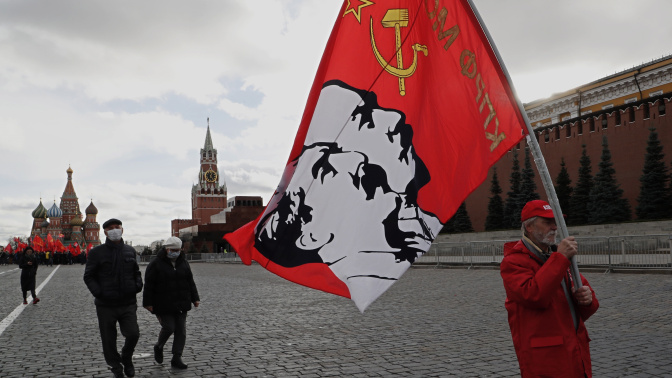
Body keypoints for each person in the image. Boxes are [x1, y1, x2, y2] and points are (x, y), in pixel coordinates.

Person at [500, 200, 600, 378]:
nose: (554, 227)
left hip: (575, 351)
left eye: (555, 221)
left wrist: (587, 299)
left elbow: (585, 304)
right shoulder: (513, 262)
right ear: (529, 227)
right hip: (546, 358)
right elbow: (534, 296)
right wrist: (561, 258)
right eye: (547, 222)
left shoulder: (557, 257)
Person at [83, 218, 143, 378]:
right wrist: (99, 292)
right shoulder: (97, 252)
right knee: (108, 340)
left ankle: (127, 357)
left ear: (122, 230)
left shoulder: (130, 250)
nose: (114, 230)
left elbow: (136, 271)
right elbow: (89, 276)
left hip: (127, 302)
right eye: (110, 228)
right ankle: (116, 367)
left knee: (133, 334)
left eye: (117, 227)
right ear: (105, 232)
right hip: (105, 305)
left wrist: (137, 285)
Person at [143, 236, 200, 370]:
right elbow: (149, 285)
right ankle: (159, 346)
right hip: (163, 303)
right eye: (172, 249)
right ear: (166, 249)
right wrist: (148, 303)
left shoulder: (184, 262)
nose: (175, 252)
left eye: (177, 249)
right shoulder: (156, 263)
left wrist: (195, 298)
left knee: (181, 330)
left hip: (181, 301)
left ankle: (177, 357)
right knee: (169, 327)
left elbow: (190, 282)